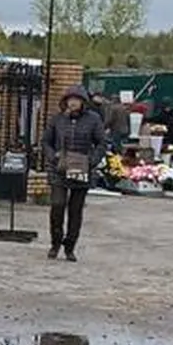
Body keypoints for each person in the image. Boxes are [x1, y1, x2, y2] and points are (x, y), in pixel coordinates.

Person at [42, 85, 106, 262]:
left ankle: (70, 246)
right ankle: (55, 242)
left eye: (76, 100)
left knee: (75, 210)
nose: (73, 103)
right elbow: (46, 142)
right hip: (59, 169)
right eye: (70, 99)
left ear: (83, 102)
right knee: (57, 205)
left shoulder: (93, 120)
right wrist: (52, 157)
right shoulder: (57, 119)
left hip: (81, 169)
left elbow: (101, 143)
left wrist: (91, 161)